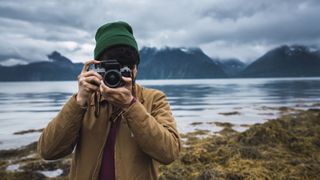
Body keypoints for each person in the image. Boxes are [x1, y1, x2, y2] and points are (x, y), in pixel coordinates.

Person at [38, 21, 181, 180]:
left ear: (136, 68)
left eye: (126, 67)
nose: (117, 74)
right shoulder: (86, 101)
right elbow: (48, 151)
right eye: (111, 68)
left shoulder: (153, 99)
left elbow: (170, 152)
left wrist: (131, 105)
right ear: (97, 68)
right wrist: (78, 101)